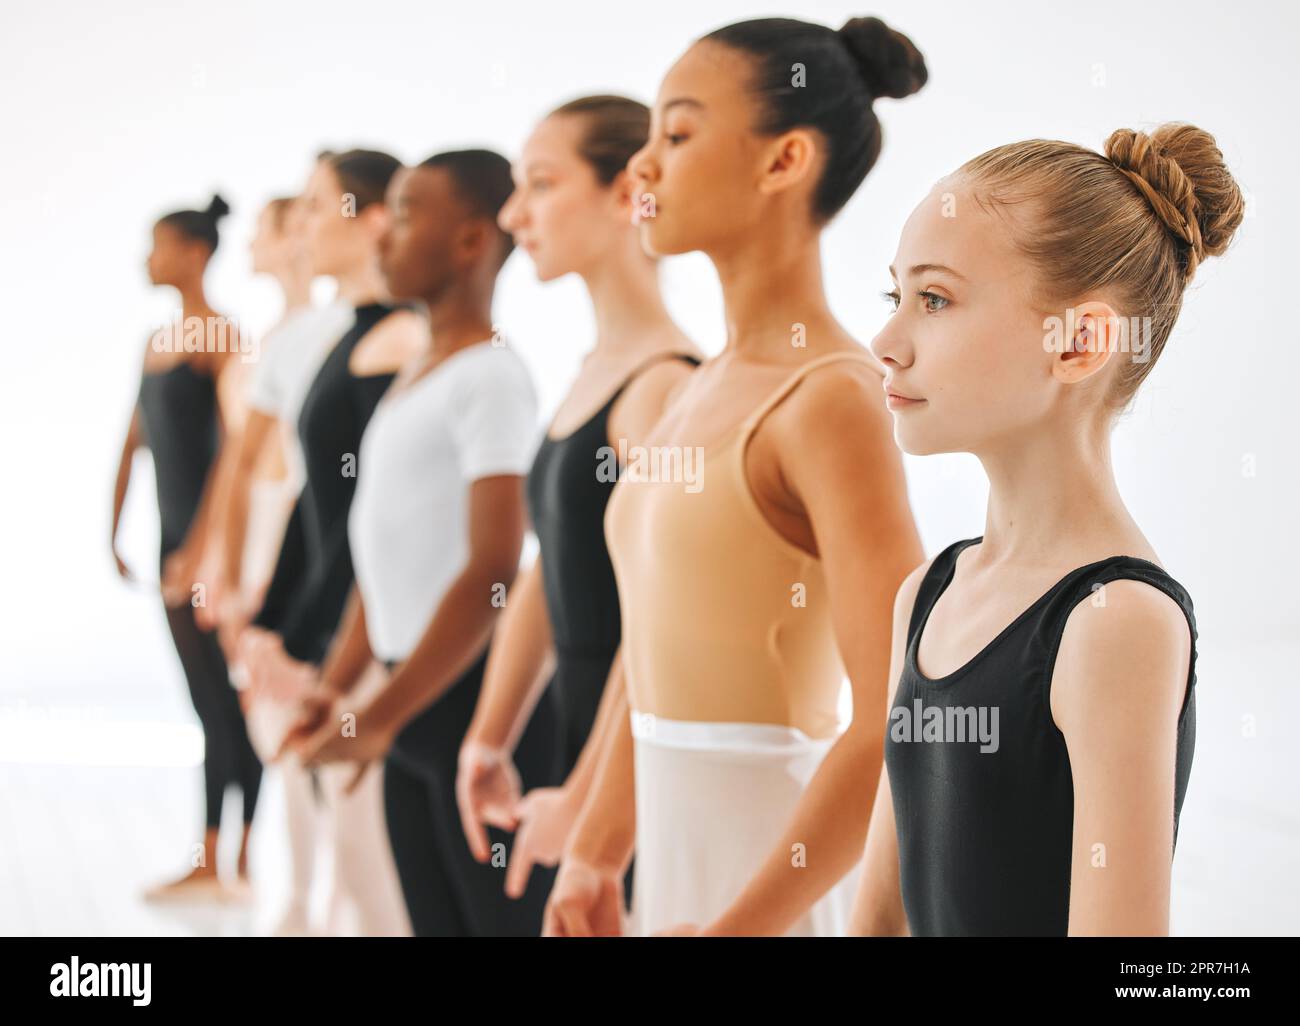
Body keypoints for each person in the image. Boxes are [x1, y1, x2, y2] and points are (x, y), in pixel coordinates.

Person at [543, 15, 927, 937]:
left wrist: (736, 932)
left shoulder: (832, 399)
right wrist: (596, 853)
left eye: (675, 135)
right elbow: (652, 650)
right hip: (679, 868)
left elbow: (893, 723)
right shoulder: (695, 388)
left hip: (777, 881)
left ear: (783, 160)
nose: (642, 169)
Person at [851, 123, 1243, 936]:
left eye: (934, 299)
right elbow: (877, 919)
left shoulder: (1117, 623)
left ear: (1080, 343)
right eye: (897, 298)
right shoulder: (928, 594)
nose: (885, 343)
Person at [286, 150, 559, 937]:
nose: (382, 236)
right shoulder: (417, 375)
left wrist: (376, 717)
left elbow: (493, 571)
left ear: (473, 241)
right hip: (413, 699)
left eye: (406, 216)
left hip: (471, 700)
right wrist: (339, 686)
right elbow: (383, 557)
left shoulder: (491, 378)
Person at [456, 95, 701, 908]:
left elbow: (665, 620)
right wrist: (489, 736)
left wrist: (597, 801)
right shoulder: (595, 371)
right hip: (573, 738)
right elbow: (547, 568)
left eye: (541, 184)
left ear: (628, 192)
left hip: (631, 764)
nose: (513, 212)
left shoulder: (661, 386)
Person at [238, 149, 422, 936]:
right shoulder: (349, 338)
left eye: (319, 206)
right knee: (352, 862)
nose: (303, 225)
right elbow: (317, 500)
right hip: (336, 638)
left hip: (371, 641)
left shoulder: (401, 340)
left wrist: (311, 639)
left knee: (374, 871)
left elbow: (371, 524)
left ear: (373, 219)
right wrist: (277, 626)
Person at [112, 194, 262, 901]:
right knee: (207, 700)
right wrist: (112, 524)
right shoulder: (156, 342)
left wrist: (202, 549)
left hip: (205, 549)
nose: (148, 258)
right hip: (170, 539)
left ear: (194, 254)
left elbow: (238, 452)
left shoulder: (224, 340)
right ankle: (216, 855)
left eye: (157, 244)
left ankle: (233, 856)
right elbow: (134, 439)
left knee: (222, 701)